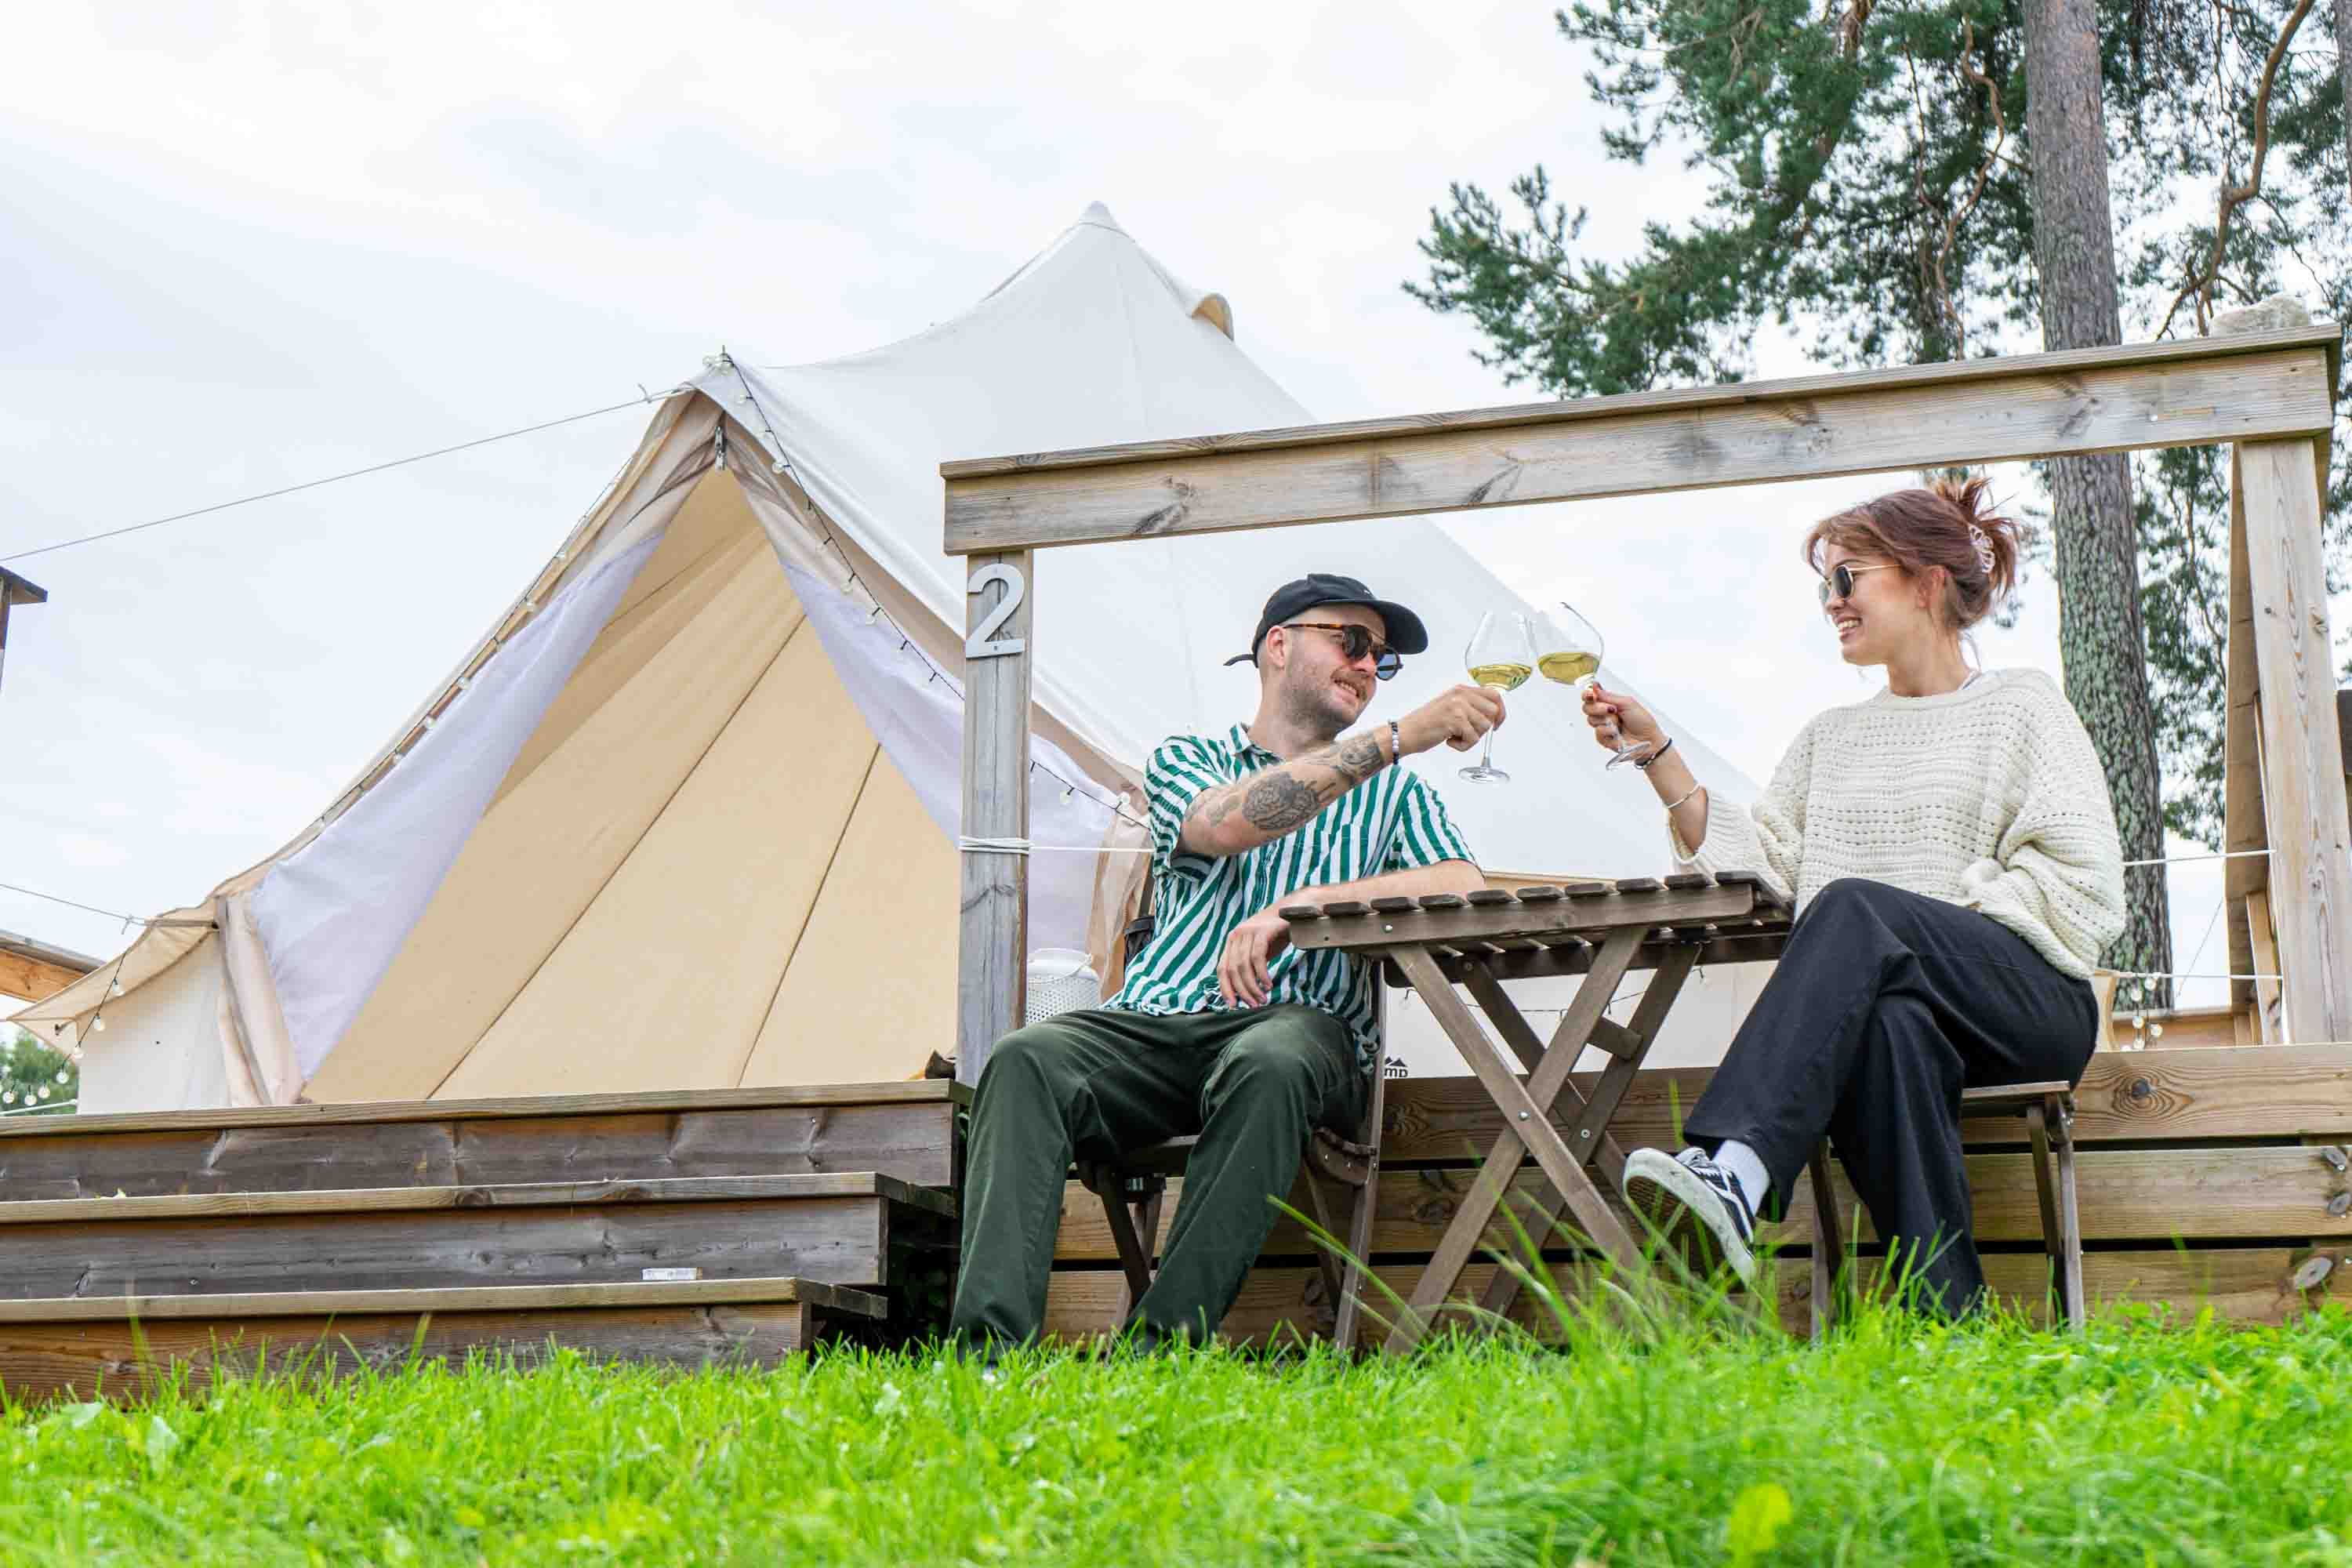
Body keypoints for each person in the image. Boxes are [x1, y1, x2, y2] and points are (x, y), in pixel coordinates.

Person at [1581, 478, 2125, 1316]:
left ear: (1928, 580)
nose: (1831, 602)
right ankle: (1949, 1321)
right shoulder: (1830, 738)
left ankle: (1735, 1168)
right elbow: (1765, 862)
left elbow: (2084, 890)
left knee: (1857, 911)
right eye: (1823, 584)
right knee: (1887, 1021)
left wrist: (1924, 927)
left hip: (2027, 1000)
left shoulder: (2022, 707)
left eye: (1848, 578)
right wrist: (1658, 754)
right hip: (1910, 1009)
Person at [949, 572, 1504, 1352]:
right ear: (1278, 645)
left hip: (1300, 1031)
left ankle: (1159, 1352)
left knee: (1270, 1059)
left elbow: (1463, 883)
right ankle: (986, 1357)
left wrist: (1304, 902)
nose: (1368, 665)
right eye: (1351, 640)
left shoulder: (1396, 798)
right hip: (1154, 1025)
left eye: (1381, 657)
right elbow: (1232, 820)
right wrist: (1395, 735)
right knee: (1024, 1058)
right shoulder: (1188, 759)